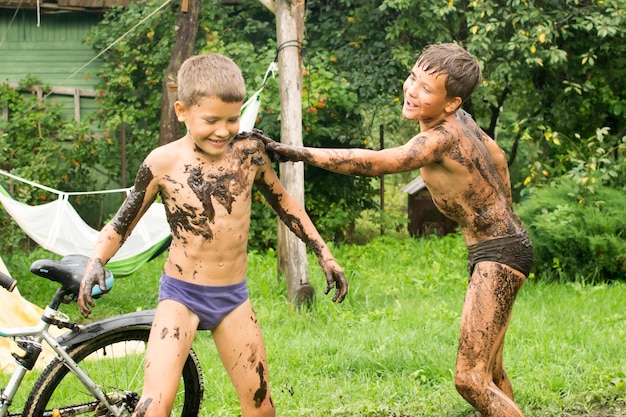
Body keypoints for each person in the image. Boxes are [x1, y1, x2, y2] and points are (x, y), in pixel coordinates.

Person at [259, 43, 533, 417]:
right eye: (412, 79)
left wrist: (294, 152)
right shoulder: (463, 122)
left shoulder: (441, 137)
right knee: (490, 371)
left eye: (425, 89)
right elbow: (498, 158)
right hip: (503, 247)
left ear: (451, 103)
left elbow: (378, 162)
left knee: (469, 379)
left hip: (499, 253)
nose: (411, 90)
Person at [77, 53, 348, 417]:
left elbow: (287, 205)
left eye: (232, 119)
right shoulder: (162, 162)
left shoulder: (249, 154)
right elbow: (121, 224)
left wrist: (324, 253)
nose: (223, 130)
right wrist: (97, 260)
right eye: (211, 120)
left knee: (261, 407)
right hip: (180, 295)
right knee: (155, 407)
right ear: (181, 111)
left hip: (233, 299)